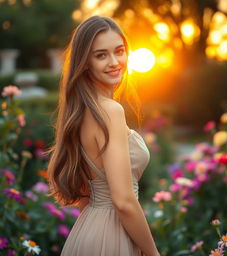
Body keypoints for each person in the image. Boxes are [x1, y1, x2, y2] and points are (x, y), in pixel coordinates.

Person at [46, 16, 160, 256]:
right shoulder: (109, 111)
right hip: (113, 233)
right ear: (85, 62)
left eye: (119, 51)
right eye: (101, 55)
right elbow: (124, 202)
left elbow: (86, 195)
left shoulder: (81, 112)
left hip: (88, 231)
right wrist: (153, 253)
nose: (114, 62)